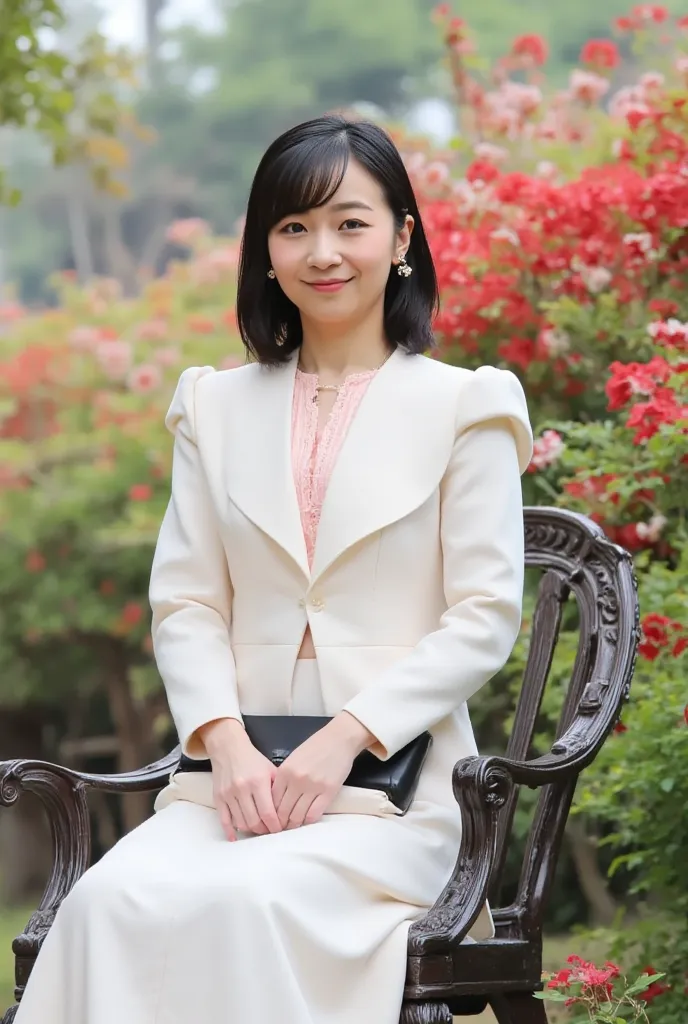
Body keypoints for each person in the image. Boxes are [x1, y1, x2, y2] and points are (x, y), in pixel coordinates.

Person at [14, 113, 533, 1024]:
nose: (321, 251)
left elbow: (485, 612)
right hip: (230, 787)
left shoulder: (465, 405)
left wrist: (344, 739)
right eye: (292, 228)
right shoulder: (214, 406)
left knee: (252, 905)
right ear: (263, 250)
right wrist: (229, 744)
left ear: (402, 237)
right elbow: (185, 602)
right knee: (104, 904)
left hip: (395, 797)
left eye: (350, 223)